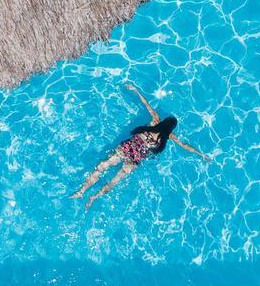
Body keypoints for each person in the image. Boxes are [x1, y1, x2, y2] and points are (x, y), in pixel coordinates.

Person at [70, 83, 211, 209]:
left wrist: (135, 90)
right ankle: (94, 198)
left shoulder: (156, 120)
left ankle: (81, 191)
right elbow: (185, 146)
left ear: (164, 121)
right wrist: (201, 154)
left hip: (127, 148)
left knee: (102, 166)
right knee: (114, 182)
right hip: (136, 159)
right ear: (171, 129)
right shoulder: (169, 137)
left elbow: (147, 105)